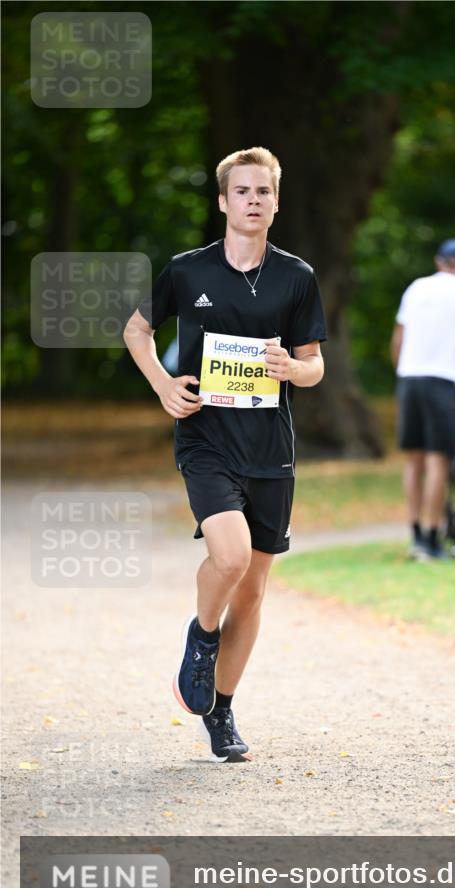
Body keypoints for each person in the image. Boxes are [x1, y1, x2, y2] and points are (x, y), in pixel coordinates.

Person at [123, 146, 326, 761]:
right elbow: (137, 329)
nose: (253, 201)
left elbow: (316, 366)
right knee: (231, 556)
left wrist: (293, 366)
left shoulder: (297, 276)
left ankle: (223, 714)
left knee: (255, 590)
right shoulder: (188, 270)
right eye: (242, 191)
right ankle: (202, 635)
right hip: (206, 441)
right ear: (223, 200)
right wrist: (164, 386)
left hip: (271, 448)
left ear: (276, 201)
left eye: (263, 192)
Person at [391, 238, 455, 560]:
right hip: (444, 380)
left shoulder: (416, 287)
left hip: (410, 378)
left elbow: (398, 337)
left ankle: (416, 533)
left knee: (414, 460)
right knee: (438, 460)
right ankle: (434, 537)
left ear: (439, 262)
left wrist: (403, 369)